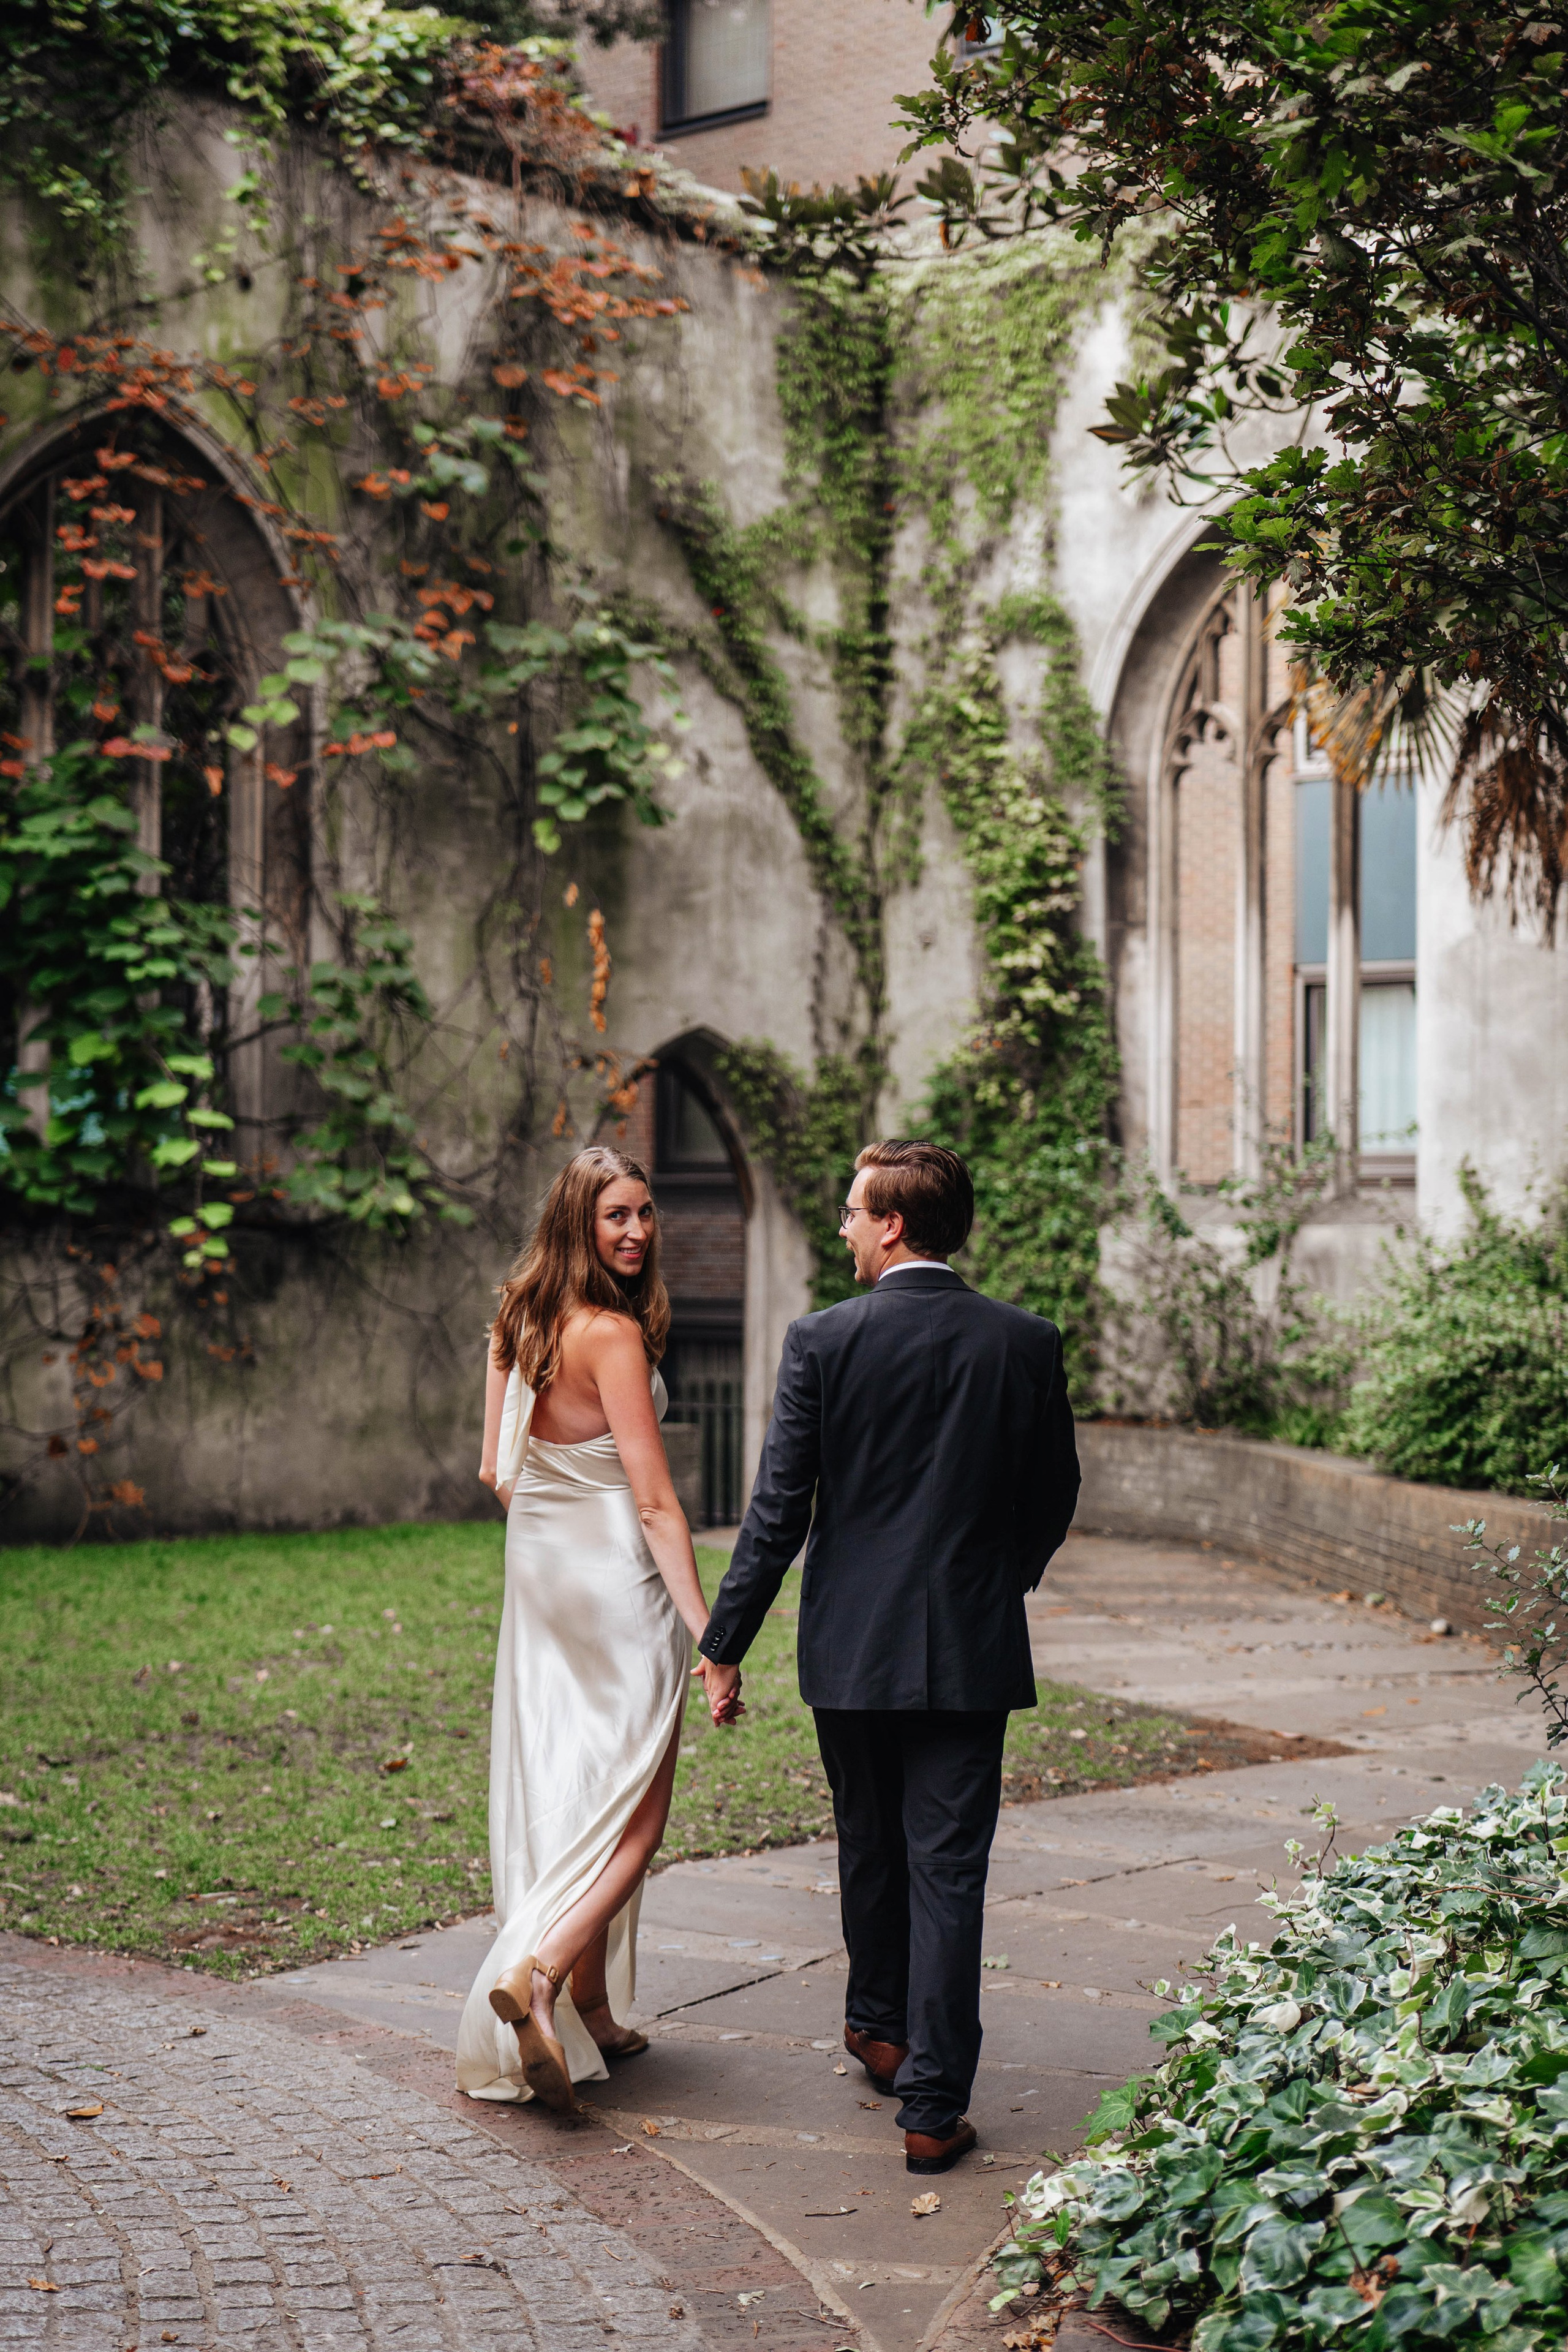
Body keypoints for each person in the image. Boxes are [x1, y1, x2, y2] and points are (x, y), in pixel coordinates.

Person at [698, 1140, 1079, 2174]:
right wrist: (1000, 1581)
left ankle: (881, 2029)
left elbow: (778, 1514)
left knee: (869, 1844)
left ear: (895, 1224)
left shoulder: (822, 1342)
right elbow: (1054, 1496)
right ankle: (927, 2095)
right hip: (970, 1644)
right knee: (946, 1871)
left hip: (852, 1649)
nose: (845, 1228)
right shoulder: (1026, 1343)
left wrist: (723, 1643)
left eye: (855, 1213)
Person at [456, 1145, 738, 2113]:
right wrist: (710, 1633)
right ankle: (540, 1977)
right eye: (616, 1215)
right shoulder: (610, 1335)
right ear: (579, 1221)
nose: (636, 1231)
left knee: (576, 1780)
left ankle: (596, 2015)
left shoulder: (517, 1316)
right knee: (636, 1805)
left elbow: (497, 1469)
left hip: (539, 1570)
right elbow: (658, 1505)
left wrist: (553, 1535)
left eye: (646, 1213)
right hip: (616, 1574)